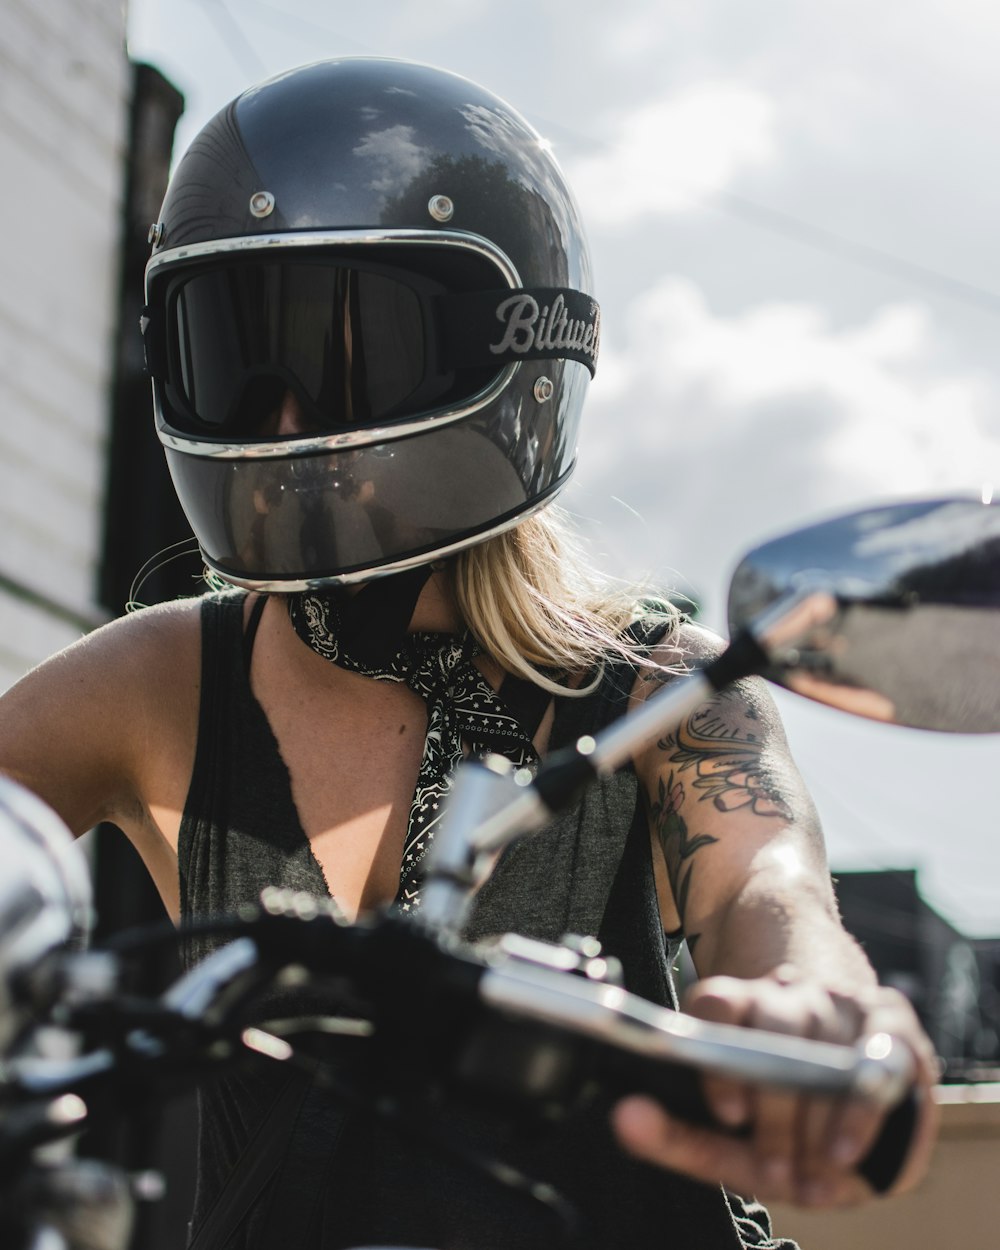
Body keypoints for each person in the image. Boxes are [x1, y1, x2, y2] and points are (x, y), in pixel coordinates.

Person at [0, 57, 936, 1250]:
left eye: (338, 348)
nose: (288, 421)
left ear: (502, 342)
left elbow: (769, 887)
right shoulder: (158, 683)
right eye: (243, 358)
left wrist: (820, 1003)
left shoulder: (661, 685)